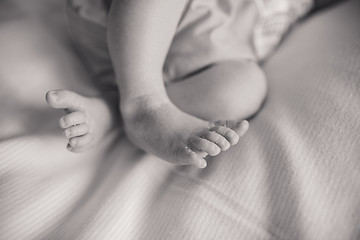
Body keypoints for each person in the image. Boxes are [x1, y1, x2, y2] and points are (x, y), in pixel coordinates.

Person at [45, 0, 314, 168]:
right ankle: (144, 101)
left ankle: (118, 111)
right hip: (128, 21)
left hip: (206, 63)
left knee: (248, 86)